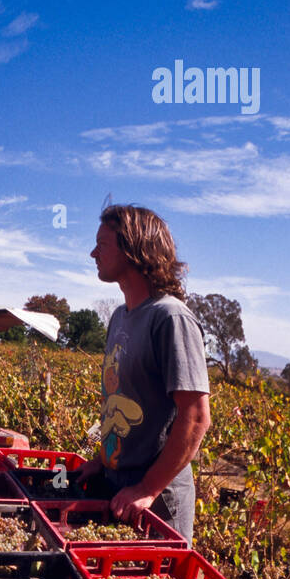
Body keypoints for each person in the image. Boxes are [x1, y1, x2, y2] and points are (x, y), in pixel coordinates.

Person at [74, 204, 211, 544]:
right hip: (119, 484)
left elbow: (195, 418)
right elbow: (122, 401)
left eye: (102, 244)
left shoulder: (170, 318)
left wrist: (148, 488)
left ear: (133, 249)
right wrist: (102, 461)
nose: (93, 253)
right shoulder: (120, 316)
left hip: (157, 497)